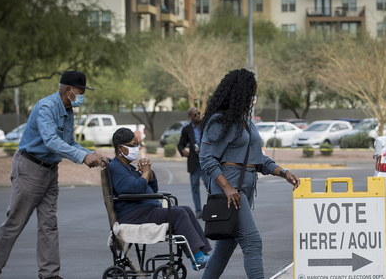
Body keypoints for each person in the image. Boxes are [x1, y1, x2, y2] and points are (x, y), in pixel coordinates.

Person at [0, 71, 105, 279]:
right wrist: (82, 157)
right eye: (81, 92)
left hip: (49, 171)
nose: (82, 96)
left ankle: (49, 274)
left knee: (49, 225)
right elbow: (51, 141)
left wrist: (91, 153)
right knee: (15, 222)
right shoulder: (46, 107)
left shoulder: (68, 109)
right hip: (30, 168)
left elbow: (69, 141)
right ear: (68, 90)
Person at [199, 68, 300, 279]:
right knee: (252, 241)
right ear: (240, 92)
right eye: (251, 92)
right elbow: (207, 158)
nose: (254, 98)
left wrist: (283, 172)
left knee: (225, 248)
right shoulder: (220, 121)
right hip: (230, 188)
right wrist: (227, 188)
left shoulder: (245, 121)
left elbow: (258, 159)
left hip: (243, 187)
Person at [108, 128, 211, 271]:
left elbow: (153, 189)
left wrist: (149, 174)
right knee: (178, 214)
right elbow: (133, 189)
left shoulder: (128, 168)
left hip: (145, 210)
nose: (136, 148)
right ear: (120, 148)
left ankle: (202, 254)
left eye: (137, 144)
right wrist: (144, 173)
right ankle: (197, 256)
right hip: (134, 215)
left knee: (185, 210)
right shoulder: (116, 167)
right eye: (132, 145)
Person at [178, 107, 210, 219]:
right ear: (190, 117)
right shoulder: (186, 129)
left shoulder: (205, 126)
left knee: (209, 185)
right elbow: (181, 144)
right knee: (194, 187)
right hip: (193, 162)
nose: (198, 116)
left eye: (199, 113)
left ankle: (210, 209)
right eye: (195, 114)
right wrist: (182, 150)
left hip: (205, 160)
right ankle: (198, 211)